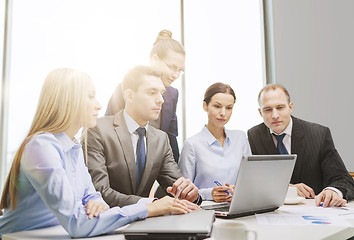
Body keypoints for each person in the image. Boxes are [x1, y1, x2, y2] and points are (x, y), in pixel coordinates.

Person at [0, 68, 198, 238]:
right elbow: (78, 223)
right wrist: (148, 207)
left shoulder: (74, 148)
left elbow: (93, 196)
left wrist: (95, 203)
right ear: (68, 100)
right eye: (90, 96)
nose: (99, 105)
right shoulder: (41, 147)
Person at [85, 65, 202, 208]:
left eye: (161, 93)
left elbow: (177, 188)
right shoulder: (98, 129)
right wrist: (152, 204)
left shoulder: (161, 139)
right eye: (152, 92)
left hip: (145, 224)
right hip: (110, 222)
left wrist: (191, 195)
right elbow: (99, 192)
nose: (161, 100)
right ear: (129, 95)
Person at [247, 84, 354, 208]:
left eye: (280, 107)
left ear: (290, 107)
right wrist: (288, 188)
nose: (275, 115)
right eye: (268, 109)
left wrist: (333, 191)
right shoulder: (254, 136)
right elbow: (256, 181)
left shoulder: (318, 134)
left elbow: (343, 179)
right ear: (260, 112)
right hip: (274, 213)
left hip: (315, 211)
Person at [105, 29, 184, 162]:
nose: (176, 75)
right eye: (171, 67)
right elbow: (108, 128)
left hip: (152, 163)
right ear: (155, 60)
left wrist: (176, 176)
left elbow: (170, 137)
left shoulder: (173, 94)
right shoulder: (125, 87)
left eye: (180, 71)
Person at [179, 83, 251, 202]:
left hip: (238, 206)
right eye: (217, 106)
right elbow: (183, 192)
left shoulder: (240, 138)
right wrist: (210, 194)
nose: (223, 113)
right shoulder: (192, 144)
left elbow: (250, 180)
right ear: (205, 106)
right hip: (204, 210)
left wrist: (237, 190)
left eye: (229, 108)